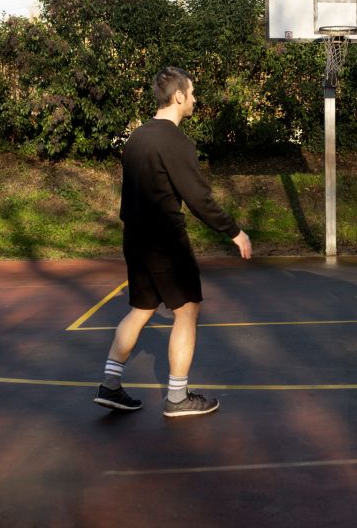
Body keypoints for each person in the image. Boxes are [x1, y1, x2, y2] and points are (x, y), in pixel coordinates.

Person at [93, 66, 252, 418]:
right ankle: (177, 397)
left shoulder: (136, 137)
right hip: (165, 239)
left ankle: (110, 385)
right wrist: (234, 231)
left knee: (142, 308)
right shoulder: (175, 141)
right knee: (187, 309)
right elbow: (198, 197)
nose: (195, 99)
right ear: (178, 96)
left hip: (134, 237)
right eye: (192, 93)